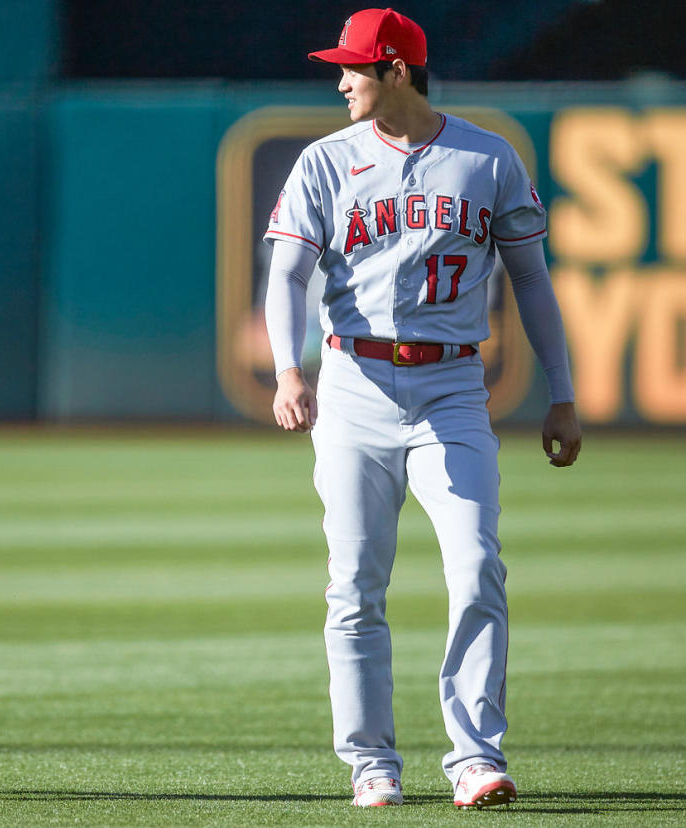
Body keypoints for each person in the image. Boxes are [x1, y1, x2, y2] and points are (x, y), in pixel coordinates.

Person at [262, 8, 581, 810]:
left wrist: (564, 392)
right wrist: (286, 371)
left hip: (450, 390)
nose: (340, 82)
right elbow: (286, 278)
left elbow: (534, 282)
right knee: (355, 586)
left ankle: (476, 758)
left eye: (353, 69)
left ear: (397, 69)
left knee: (477, 566)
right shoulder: (326, 162)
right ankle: (371, 764)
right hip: (353, 386)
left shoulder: (488, 158)